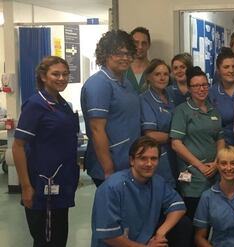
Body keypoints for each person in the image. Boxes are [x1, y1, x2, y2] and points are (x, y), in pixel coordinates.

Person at [12, 56, 79, 246]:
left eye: (65, 74)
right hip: (41, 187)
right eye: (55, 74)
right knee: (45, 240)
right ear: (43, 76)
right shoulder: (35, 105)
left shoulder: (63, 104)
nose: (61, 78)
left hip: (61, 185)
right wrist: (26, 186)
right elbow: (18, 147)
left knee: (58, 239)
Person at [91, 136, 189, 247]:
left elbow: (178, 207)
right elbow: (109, 237)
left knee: (183, 224)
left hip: (145, 241)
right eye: (143, 158)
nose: (149, 164)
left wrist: (160, 233)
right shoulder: (111, 188)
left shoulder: (157, 182)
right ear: (132, 160)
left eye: (154, 158)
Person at [81, 29, 140, 187]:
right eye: (119, 53)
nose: (125, 58)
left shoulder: (125, 83)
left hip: (128, 162)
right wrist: (108, 170)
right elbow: (96, 129)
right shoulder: (99, 84)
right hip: (110, 166)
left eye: (128, 54)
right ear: (106, 54)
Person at [170, 66, 225, 219]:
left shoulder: (213, 111)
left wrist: (216, 163)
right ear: (189, 88)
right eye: (196, 86)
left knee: (210, 219)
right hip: (193, 176)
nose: (201, 89)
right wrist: (200, 166)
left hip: (213, 172)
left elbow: (220, 139)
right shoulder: (182, 111)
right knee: (195, 221)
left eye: (204, 85)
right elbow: (176, 144)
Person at [140, 59, 176, 187]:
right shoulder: (145, 99)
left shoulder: (170, 96)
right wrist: (176, 138)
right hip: (159, 155)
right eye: (157, 74)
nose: (162, 78)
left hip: (174, 153)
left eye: (165, 74)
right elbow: (150, 135)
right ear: (149, 77)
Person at [126, 26, 151, 93]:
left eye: (144, 43)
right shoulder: (122, 71)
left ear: (149, 45)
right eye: (136, 43)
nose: (140, 47)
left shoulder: (155, 70)